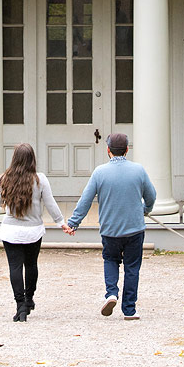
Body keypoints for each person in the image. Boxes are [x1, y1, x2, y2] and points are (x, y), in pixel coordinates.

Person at [66, 132, 156, 320]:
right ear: (127, 150)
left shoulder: (100, 172)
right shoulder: (139, 170)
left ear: (108, 150)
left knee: (110, 260)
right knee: (132, 267)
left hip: (110, 230)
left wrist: (74, 223)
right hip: (135, 229)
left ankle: (111, 293)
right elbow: (151, 195)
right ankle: (130, 309)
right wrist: (145, 209)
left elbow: (86, 200)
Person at [0, 142, 72, 322]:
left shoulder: (3, 178)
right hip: (33, 231)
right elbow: (50, 203)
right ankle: (29, 299)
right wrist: (61, 222)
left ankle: (20, 305)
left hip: (10, 231)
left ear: (14, 159)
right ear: (32, 159)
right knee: (31, 265)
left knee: (14, 267)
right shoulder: (40, 179)